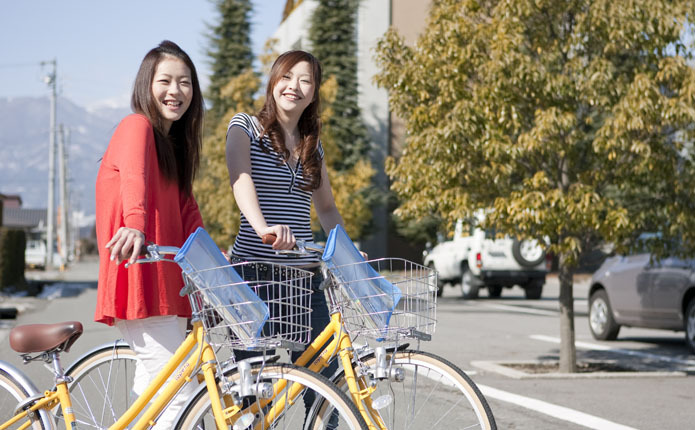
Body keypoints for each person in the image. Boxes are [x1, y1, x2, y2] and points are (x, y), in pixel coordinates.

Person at [94, 40, 204, 428]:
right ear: (147, 84)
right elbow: (134, 183)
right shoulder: (135, 126)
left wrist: (219, 266)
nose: (176, 91)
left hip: (169, 288)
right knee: (180, 395)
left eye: (185, 82)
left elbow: (189, 214)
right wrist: (136, 224)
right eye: (166, 81)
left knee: (158, 395)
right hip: (140, 277)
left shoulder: (174, 147)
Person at [225, 50, 347, 372]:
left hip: (302, 277)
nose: (294, 86)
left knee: (325, 381)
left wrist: (345, 250)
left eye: (305, 81)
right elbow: (241, 181)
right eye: (287, 76)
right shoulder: (246, 127)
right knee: (254, 389)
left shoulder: (313, 145)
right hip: (252, 273)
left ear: (313, 94)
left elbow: (327, 207)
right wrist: (264, 229)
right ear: (273, 81)